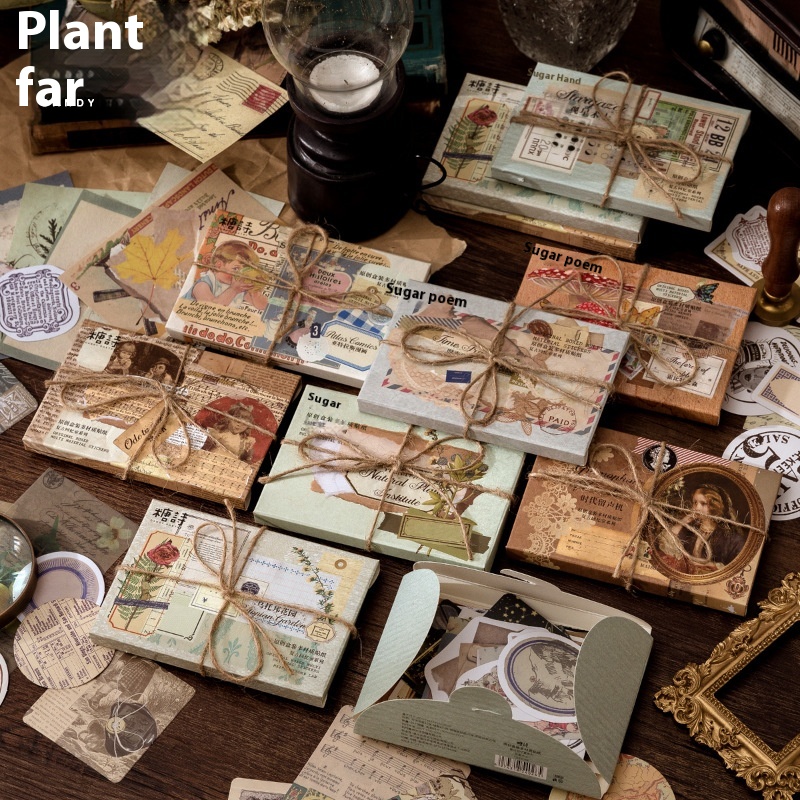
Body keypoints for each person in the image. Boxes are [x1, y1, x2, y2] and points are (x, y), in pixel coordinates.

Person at [668, 484, 747, 571]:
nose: (697, 508)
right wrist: (682, 522)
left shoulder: (731, 539)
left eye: (703, 503)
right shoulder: (690, 529)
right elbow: (665, 547)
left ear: (715, 506)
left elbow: (738, 567)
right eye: (695, 502)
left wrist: (713, 565)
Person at [190, 241, 268, 310]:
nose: (241, 274)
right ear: (219, 265)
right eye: (236, 269)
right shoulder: (203, 285)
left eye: (245, 270)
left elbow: (263, 306)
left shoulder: (238, 285)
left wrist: (255, 292)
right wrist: (233, 290)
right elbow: (210, 308)